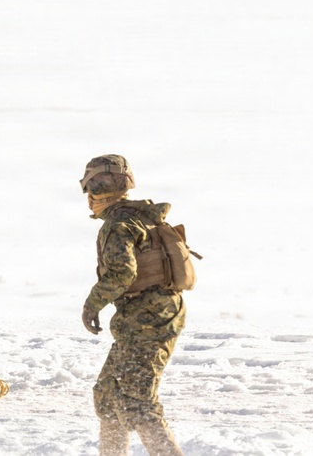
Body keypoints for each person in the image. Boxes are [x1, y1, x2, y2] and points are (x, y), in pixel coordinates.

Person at [79, 154, 186, 456]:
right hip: (146, 318)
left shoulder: (117, 225)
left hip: (150, 319)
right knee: (109, 394)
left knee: (138, 400)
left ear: (95, 193)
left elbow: (122, 272)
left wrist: (92, 304)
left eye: (91, 191)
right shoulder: (140, 216)